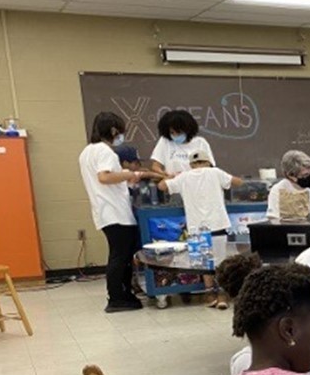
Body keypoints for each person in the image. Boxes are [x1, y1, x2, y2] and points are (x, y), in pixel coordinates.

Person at [78, 112, 156, 313]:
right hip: (115, 212)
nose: (121, 136)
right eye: (120, 132)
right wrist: (129, 175)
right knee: (120, 256)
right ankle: (117, 297)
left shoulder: (87, 152)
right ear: (113, 130)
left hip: (106, 212)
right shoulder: (105, 152)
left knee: (120, 254)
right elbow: (104, 177)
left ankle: (123, 293)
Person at [158, 148, 243, 309]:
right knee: (220, 262)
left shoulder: (184, 177)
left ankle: (209, 293)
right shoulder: (215, 172)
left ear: (191, 164)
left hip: (196, 227)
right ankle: (222, 295)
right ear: (208, 162)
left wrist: (172, 176)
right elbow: (238, 182)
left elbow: (162, 186)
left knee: (204, 263)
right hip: (217, 224)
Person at [267, 150, 310, 221]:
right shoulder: (278, 190)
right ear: (290, 175)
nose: (309, 177)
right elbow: (273, 219)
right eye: (305, 175)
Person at [150, 109, 215, 177]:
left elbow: (210, 167)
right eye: (172, 132)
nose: (175, 135)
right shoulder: (165, 141)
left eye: (179, 132)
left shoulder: (201, 143)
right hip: (173, 183)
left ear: (188, 130)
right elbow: (155, 167)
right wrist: (167, 175)